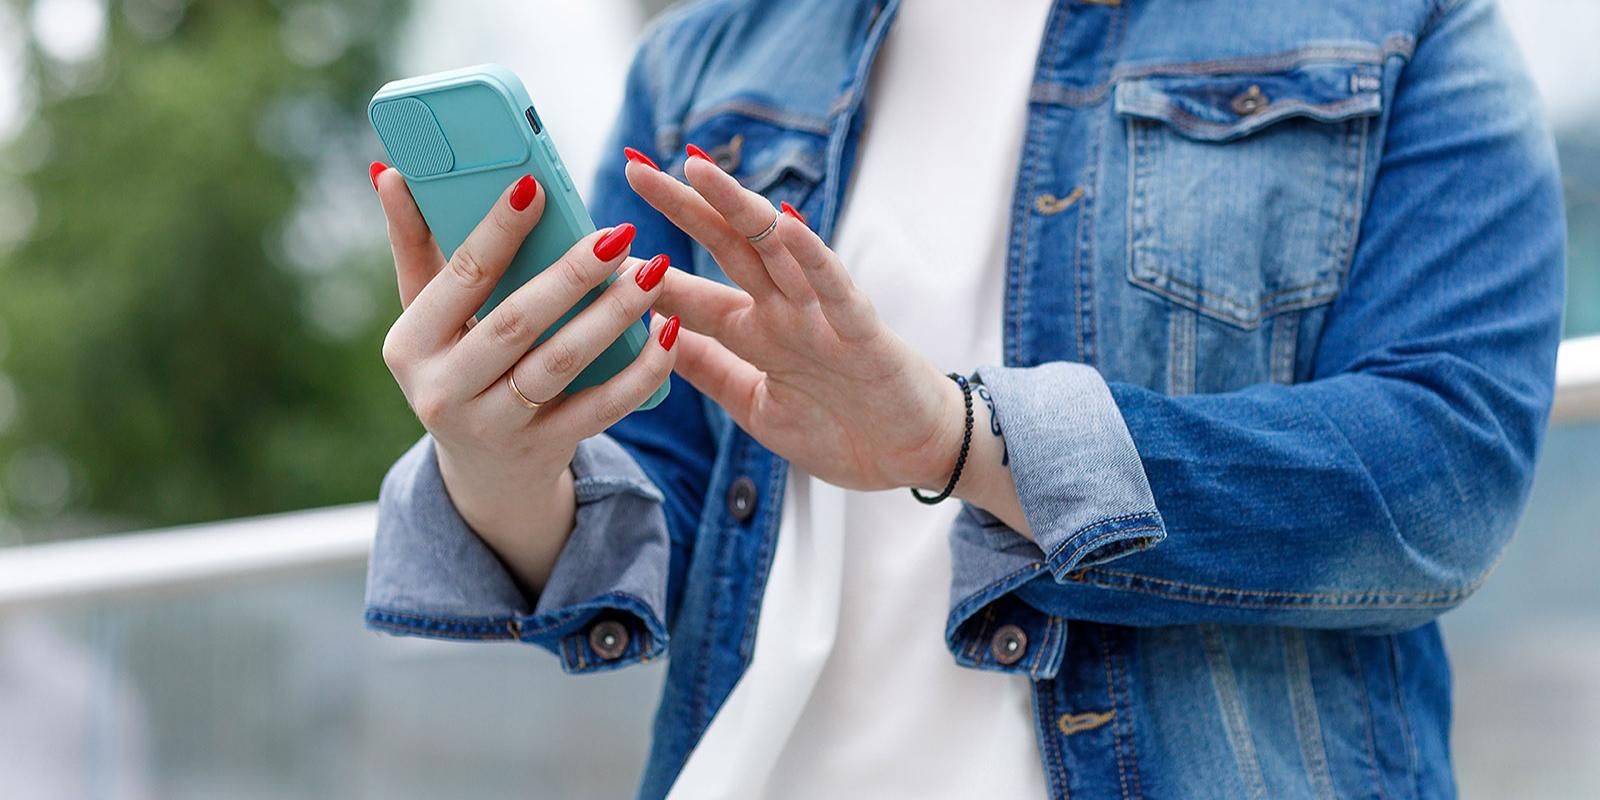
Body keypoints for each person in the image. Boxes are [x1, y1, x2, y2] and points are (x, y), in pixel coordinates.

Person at [362, 0, 1566, 797]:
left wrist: (958, 437)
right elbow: (657, 512)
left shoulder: (1397, 20)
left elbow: (1445, 470)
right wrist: (499, 463)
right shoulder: (708, 61)